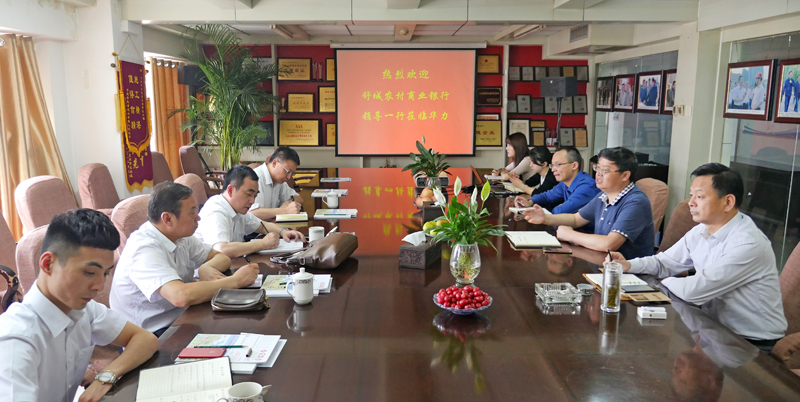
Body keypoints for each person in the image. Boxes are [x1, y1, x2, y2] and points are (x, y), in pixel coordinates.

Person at [606, 163, 787, 350]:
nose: (691, 202)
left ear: (728, 202)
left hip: (752, 344)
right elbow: (664, 262)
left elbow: (694, 291)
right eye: (691, 195)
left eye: (699, 197)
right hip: (713, 329)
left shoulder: (747, 244)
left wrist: (666, 281)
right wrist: (627, 265)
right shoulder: (701, 230)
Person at [0, 209, 159, 402]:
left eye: (105, 273)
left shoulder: (83, 309)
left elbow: (145, 340)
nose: (100, 286)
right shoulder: (15, 340)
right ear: (48, 264)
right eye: (90, 272)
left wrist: (106, 377)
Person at [110, 182, 260, 336]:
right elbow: (180, 296)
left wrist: (206, 267)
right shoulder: (143, 248)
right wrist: (235, 281)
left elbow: (221, 257)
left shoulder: (180, 236)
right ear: (168, 218)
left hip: (182, 317)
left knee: (245, 323)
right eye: (192, 212)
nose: (198, 217)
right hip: (151, 334)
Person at [524, 146, 654, 259]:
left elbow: (609, 244)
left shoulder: (635, 202)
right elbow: (576, 219)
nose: (598, 174)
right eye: (598, 168)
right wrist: (545, 218)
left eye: (605, 171)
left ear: (625, 175)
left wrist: (570, 235)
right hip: (601, 260)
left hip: (628, 271)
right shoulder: (603, 196)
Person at [194, 164, 305, 258]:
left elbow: (262, 226)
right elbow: (222, 249)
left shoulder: (238, 210)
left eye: (255, 196)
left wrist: (284, 232)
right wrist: (262, 244)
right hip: (208, 274)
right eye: (248, 194)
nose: (252, 201)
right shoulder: (216, 211)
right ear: (230, 190)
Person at [514, 147, 600, 216]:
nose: (553, 170)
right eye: (552, 165)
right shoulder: (564, 183)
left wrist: (559, 207)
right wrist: (529, 202)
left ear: (574, 165)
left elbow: (560, 211)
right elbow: (546, 196)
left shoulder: (587, 186)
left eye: (558, 164)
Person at [249, 146, 304, 221]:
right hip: (256, 228)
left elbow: (299, 199)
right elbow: (252, 213)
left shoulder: (279, 181)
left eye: (292, 173)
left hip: (272, 225)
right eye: (288, 172)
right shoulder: (256, 178)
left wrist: (288, 202)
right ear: (275, 163)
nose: (289, 177)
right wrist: (284, 210)